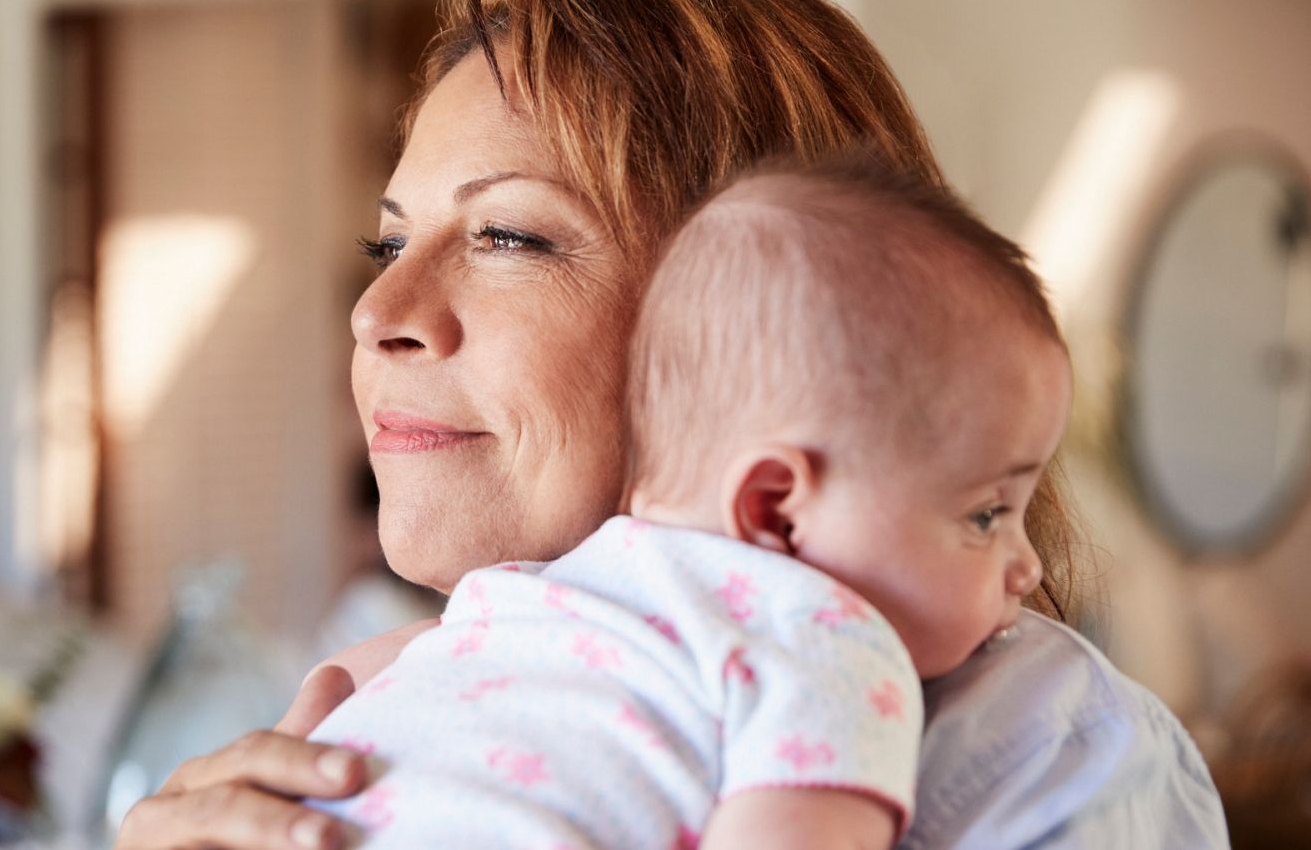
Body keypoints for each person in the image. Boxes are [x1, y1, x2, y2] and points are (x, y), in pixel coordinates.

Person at [115, 0, 1227, 848]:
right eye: (388, 240)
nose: (377, 309)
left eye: (507, 235)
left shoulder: (1047, 753)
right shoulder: (387, 696)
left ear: (770, 328)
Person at [298, 158, 1069, 848]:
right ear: (774, 509)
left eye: (504, 236)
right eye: (985, 516)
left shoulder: (509, 605)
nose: (1026, 565)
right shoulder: (825, 640)